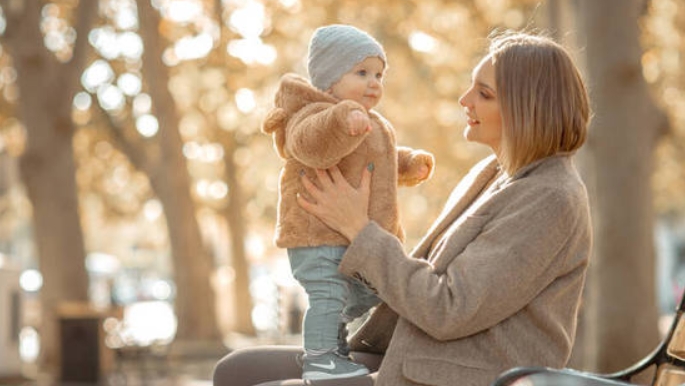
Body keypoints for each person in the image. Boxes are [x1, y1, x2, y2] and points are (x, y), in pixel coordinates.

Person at [213, 30, 593, 386]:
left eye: (484, 94)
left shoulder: (551, 198)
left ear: (528, 109)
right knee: (237, 370)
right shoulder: (492, 174)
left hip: (463, 376)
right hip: (421, 357)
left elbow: (449, 307)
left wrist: (358, 227)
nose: (465, 100)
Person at [259, 24, 435, 381]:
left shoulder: (371, 122)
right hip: (317, 235)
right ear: (330, 80)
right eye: (362, 73)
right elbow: (310, 144)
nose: (374, 83)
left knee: (360, 295)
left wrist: (407, 163)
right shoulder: (310, 115)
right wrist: (342, 122)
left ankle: (332, 349)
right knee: (328, 294)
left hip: (350, 238)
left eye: (379, 75)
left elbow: (376, 160)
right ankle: (321, 359)